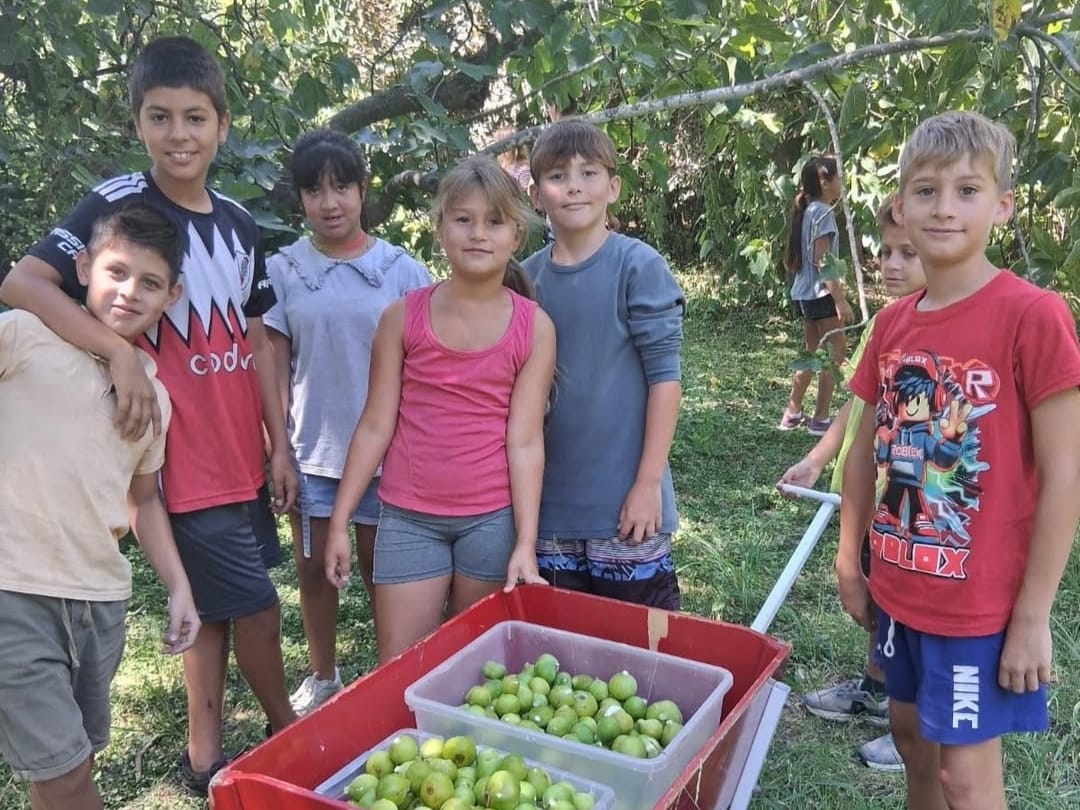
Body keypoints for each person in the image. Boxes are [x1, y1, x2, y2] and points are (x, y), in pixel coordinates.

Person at [0, 36, 299, 796]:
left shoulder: (239, 223)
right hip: (175, 456)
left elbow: (257, 341)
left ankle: (203, 756)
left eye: (195, 118)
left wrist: (279, 444)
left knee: (217, 611)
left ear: (222, 125)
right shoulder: (119, 202)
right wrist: (120, 354)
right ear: (137, 123)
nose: (178, 135)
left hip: (236, 451)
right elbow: (25, 282)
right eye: (159, 117)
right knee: (257, 611)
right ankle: (289, 739)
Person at [838, 110, 1080, 808]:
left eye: (967, 190)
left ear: (1002, 205)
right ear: (900, 206)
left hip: (980, 606)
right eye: (926, 191)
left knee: (965, 779)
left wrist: (1032, 616)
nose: (945, 208)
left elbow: (1065, 474)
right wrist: (850, 557)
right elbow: (864, 451)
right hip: (900, 587)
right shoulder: (892, 323)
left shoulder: (1032, 315)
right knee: (912, 743)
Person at [0, 204, 201, 810]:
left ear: (172, 295)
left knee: (70, 765)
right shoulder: (22, 334)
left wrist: (179, 586)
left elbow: (143, 499)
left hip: (98, 603)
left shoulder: (153, 396)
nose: (129, 291)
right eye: (116, 272)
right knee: (64, 777)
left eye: (149, 282)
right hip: (14, 591)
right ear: (84, 267)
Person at [325, 154, 556, 663]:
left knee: (475, 668)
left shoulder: (534, 327)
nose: (478, 234)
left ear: (516, 235)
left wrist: (525, 542)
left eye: (494, 222)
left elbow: (524, 440)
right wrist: (340, 520)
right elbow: (375, 425)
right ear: (440, 229)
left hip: (490, 521)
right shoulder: (401, 318)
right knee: (402, 666)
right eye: (463, 219)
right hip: (409, 518)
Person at [265, 129, 430, 715]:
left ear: (363, 189)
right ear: (300, 199)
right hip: (313, 448)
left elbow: (427, 359)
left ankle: (395, 674)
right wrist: (277, 448)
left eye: (341, 187)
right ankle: (323, 674)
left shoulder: (400, 270)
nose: (329, 203)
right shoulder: (284, 269)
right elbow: (273, 361)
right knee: (313, 570)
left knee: (380, 568)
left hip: (389, 452)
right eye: (314, 190)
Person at [778, 193, 926, 772]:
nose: (891, 264)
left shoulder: (943, 333)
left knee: (907, 609)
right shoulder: (886, 324)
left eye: (907, 253)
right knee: (876, 595)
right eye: (885, 252)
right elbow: (856, 405)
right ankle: (878, 685)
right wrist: (817, 459)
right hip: (865, 495)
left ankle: (913, 720)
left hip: (910, 504)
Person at [523, 119, 685, 610]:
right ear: (536, 195)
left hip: (626, 508)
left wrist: (647, 484)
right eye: (558, 175)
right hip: (548, 513)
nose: (573, 186)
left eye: (588, 173)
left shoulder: (638, 266)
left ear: (613, 187)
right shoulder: (524, 281)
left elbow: (665, 379)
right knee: (560, 647)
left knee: (638, 644)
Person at [779, 155, 855, 436]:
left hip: (803, 293)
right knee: (835, 353)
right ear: (825, 182)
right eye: (838, 177)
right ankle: (820, 418)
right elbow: (822, 259)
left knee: (810, 353)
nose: (842, 182)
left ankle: (792, 412)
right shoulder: (823, 212)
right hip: (820, 294)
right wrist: (839, 299)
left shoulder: (809, 210)